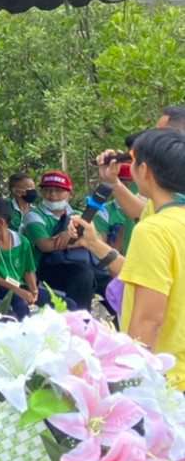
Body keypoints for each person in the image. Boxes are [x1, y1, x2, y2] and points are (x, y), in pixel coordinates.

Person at [111, 127, 185, 388]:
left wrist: (130, 384)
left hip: (169, 384)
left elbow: (148, 320)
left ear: (144, 170)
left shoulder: (153, 231)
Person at [22, 170, 96, 309]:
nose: (52, 195)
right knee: (82, 274)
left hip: (78, 265)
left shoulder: (78, 215)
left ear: (70, 193)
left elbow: (96, 239)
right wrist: (79, 238)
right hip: (45, 269)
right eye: (47, 190)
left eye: (58, 190)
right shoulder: (33, 216)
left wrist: (69, 236)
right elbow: (46, 245)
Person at [0, 196, 40, 316]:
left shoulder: (22, 241)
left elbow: (29, 270)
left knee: (63, 302)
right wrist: (18, 290)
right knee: (20, 305)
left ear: (0, 222)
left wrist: (34, 291)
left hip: (20, 286)